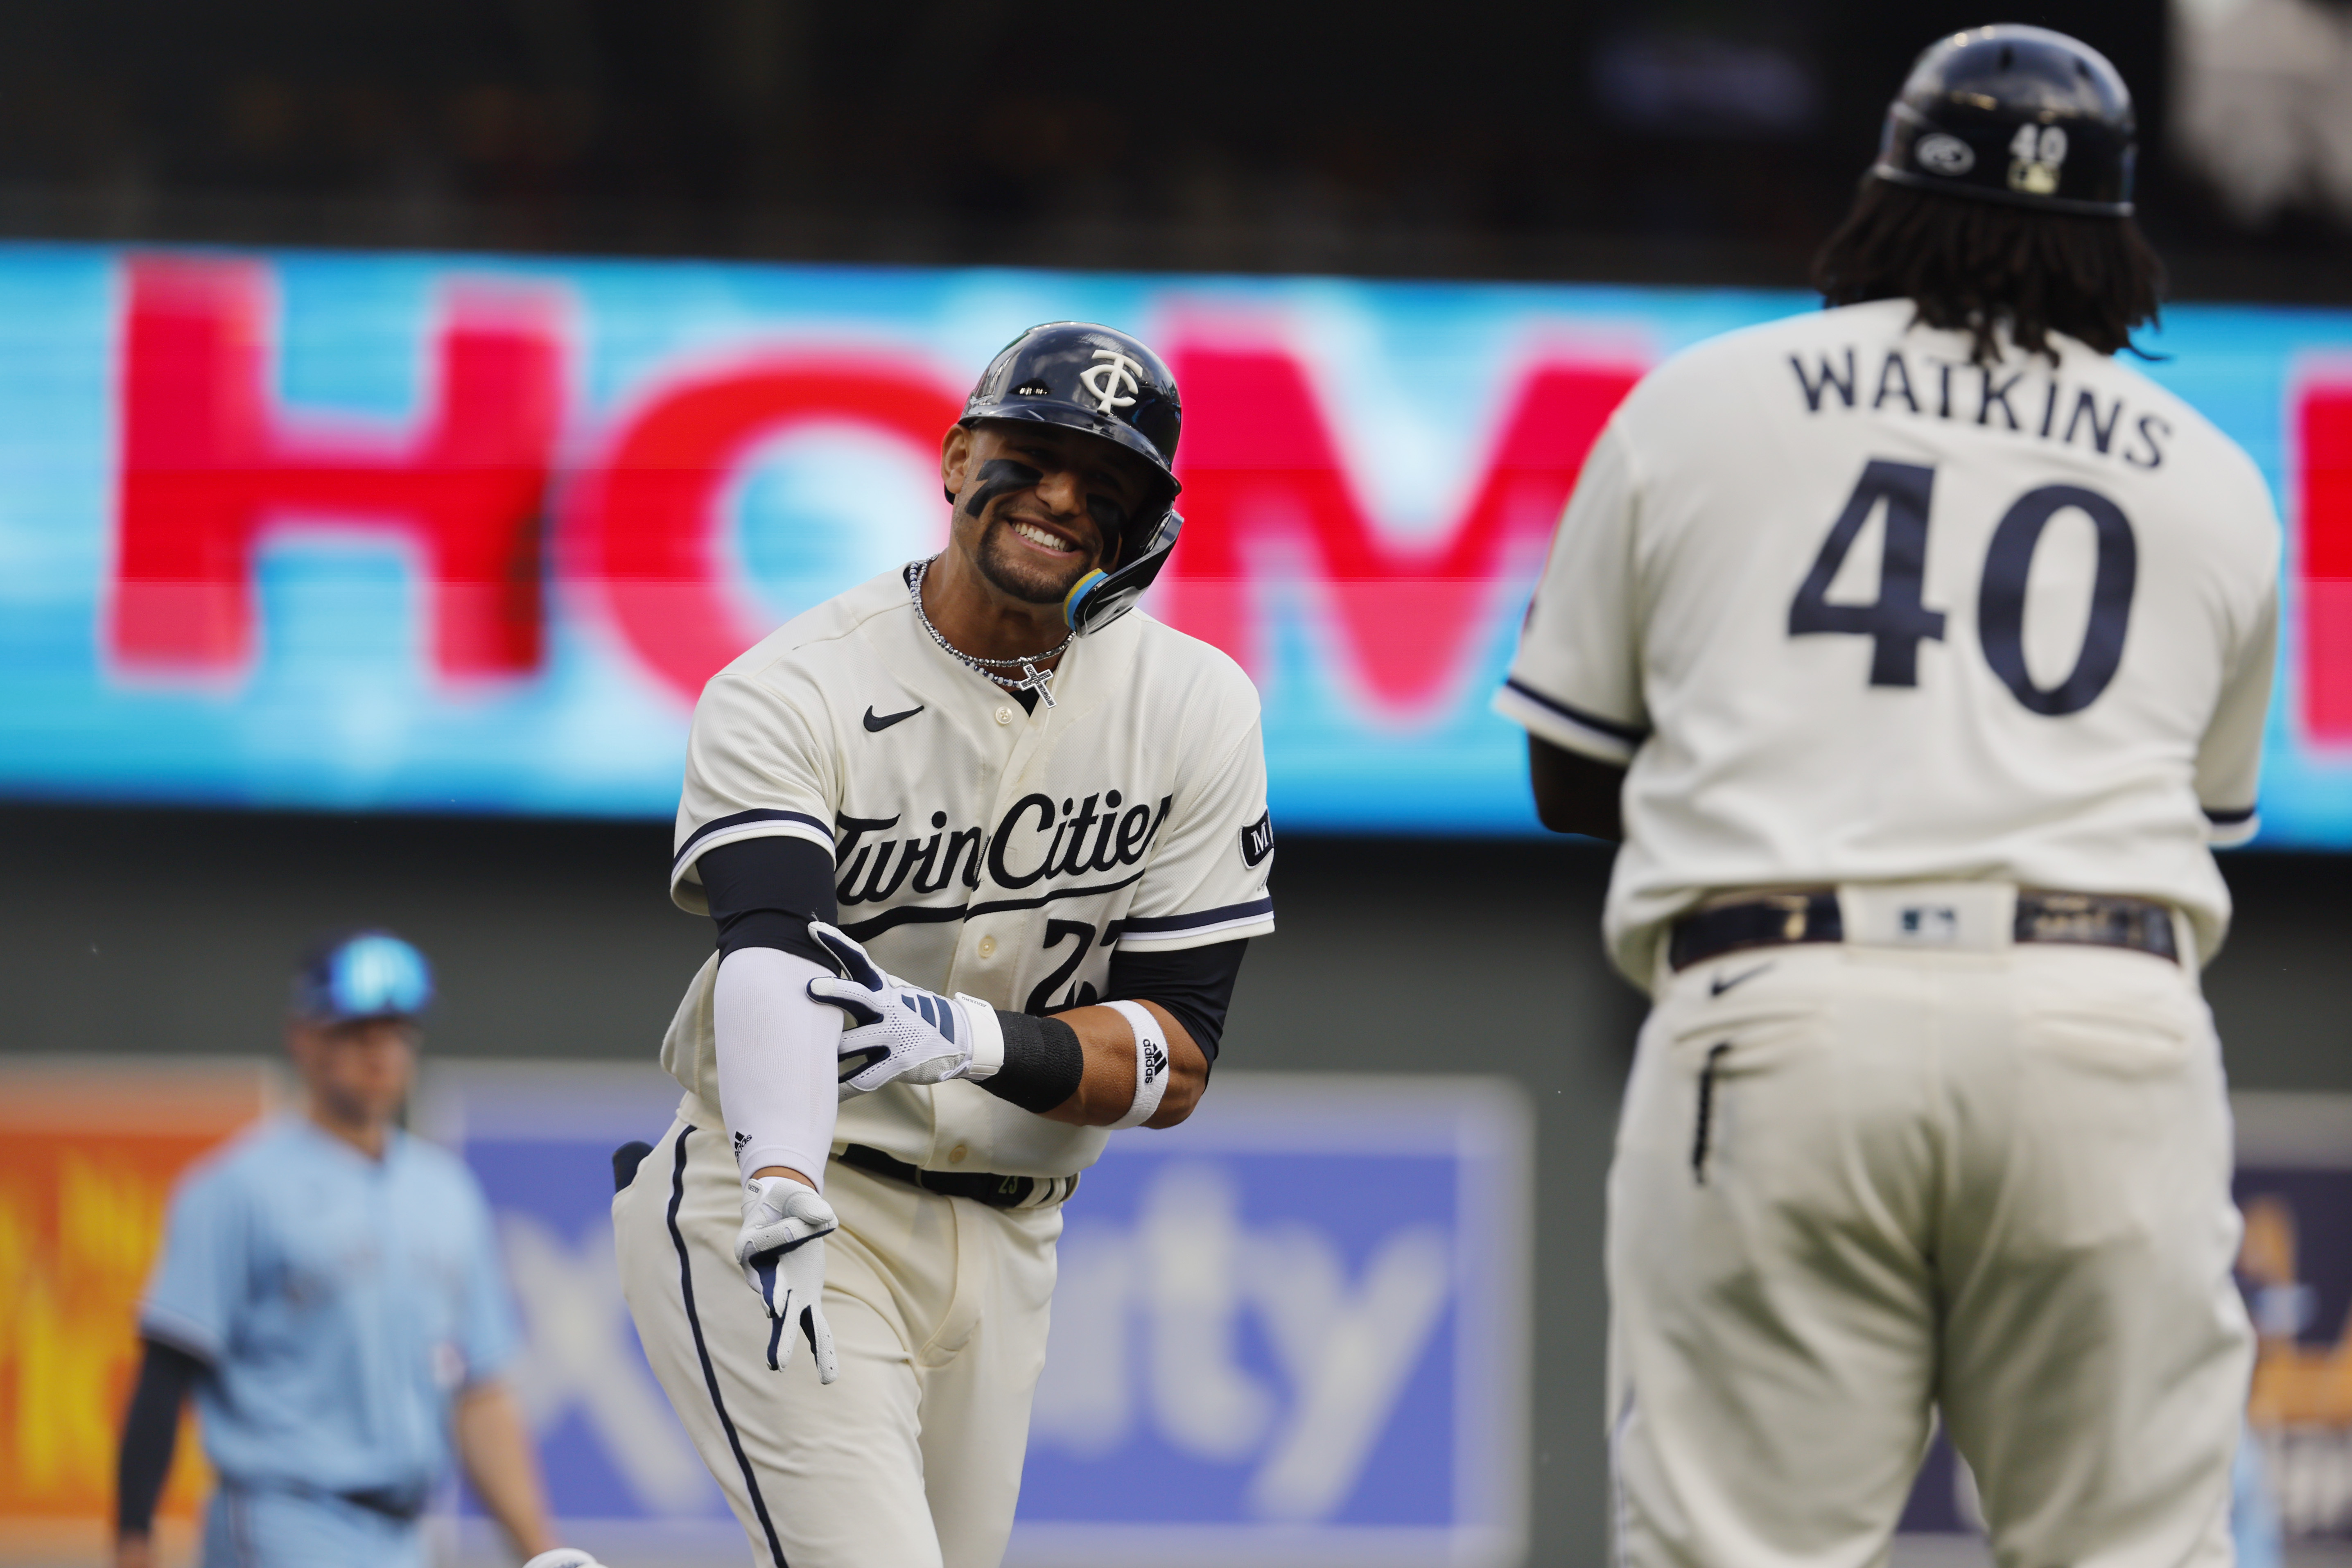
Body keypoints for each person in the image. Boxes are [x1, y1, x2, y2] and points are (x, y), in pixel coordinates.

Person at [1496, 25, 2271, 1568]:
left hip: (1780, 1002)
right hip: (2100, 1015)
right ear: (2116, 238)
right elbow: (2197, 816)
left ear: (1883, 200)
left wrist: (1784, 761)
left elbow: (1569, 768)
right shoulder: (2210, 475)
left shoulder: (1703, 401)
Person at [614, 320, 1275, 1568]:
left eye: (1109, 483)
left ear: (1148, 527)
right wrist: (782, 1176)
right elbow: (771, 950)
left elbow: (1177, 1055)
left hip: (1017, 1232)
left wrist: (969, 1037)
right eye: (1034, 455)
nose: (1063, 498)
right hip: (801, 1191)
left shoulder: (1197, 704)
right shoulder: (792, 685)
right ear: (959, 455)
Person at [115, 931, 563, 1568]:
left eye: (395, 1032)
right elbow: (167, 1368)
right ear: (305, 1036)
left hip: (404, 1531)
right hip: (282, 1517)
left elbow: (480, 1396)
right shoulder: (237, 1187)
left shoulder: (446, 1191)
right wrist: (133, 1537)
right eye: (356, 1032)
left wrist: (539, 1550)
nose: (378, 1053)